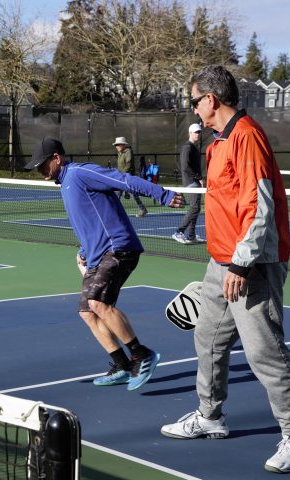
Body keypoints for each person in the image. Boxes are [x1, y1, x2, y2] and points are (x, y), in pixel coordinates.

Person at [161, 65, 290, 473]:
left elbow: (259, 209)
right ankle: (210, 417)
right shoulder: (218, 143)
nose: (193, 110)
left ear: (211, 99)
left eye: (195, 101)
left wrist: (241, 264)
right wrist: (224, 263)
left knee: (265, 351)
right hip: (222, 262)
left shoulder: (247, 137)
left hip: (253, 264)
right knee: (208, 339)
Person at [24, 137, 184, 390]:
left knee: (99, 303)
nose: (39, 170)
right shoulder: (65, 184)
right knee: (87, 312)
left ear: (57, 158)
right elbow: (89, 221)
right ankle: (121, 364)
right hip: (98, 255)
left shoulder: (80, 173)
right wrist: (85, 251)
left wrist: (161, 194)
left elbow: (124, 180)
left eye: (43, 164)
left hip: (119, 249)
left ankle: (141, 355)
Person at [172, 123, 205, 244]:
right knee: (195, 207)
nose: (198, 134)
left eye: (199, 132)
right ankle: (179, 232)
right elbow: (185, 167)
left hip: (195, 181)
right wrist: (198, 178)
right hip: (191, 181)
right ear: (190, 133)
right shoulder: (187, 147)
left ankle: (191, 235)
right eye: (196, 132)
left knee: (196, 207)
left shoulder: (194, 147)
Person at [113, 137, 148, 217]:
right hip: (121, 177)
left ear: (122, 145)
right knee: (117, 194)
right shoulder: (120, 153)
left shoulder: (128, 151)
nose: (116, 146)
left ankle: (143, 209)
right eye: (116, 145)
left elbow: (128, 165)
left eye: (118, 145)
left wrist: (122, 174)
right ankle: (114, 211)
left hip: (128, 177)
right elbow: (120, 166)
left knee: (133, 194)